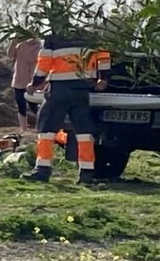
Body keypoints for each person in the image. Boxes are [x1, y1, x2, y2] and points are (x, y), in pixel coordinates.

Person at [27, 34, 111, 184]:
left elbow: (44, 64)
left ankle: (42, 170)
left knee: (46, 129)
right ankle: (86, 174)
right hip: (82, 90)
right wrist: (103, 78)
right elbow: (104, 57)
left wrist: (35, 83)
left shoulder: (54, 39)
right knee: (85, 132)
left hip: (59, 90)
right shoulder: (91, 38)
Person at [6, 34, 42, 133]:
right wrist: (13, 41)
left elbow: (36, 59)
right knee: (21, 104)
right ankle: (23, 128)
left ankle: (41, 125)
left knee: (34, 105)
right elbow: (10, 54)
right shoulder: (20, 45)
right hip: (19, 80)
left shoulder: (39, 47)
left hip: (33, 82)